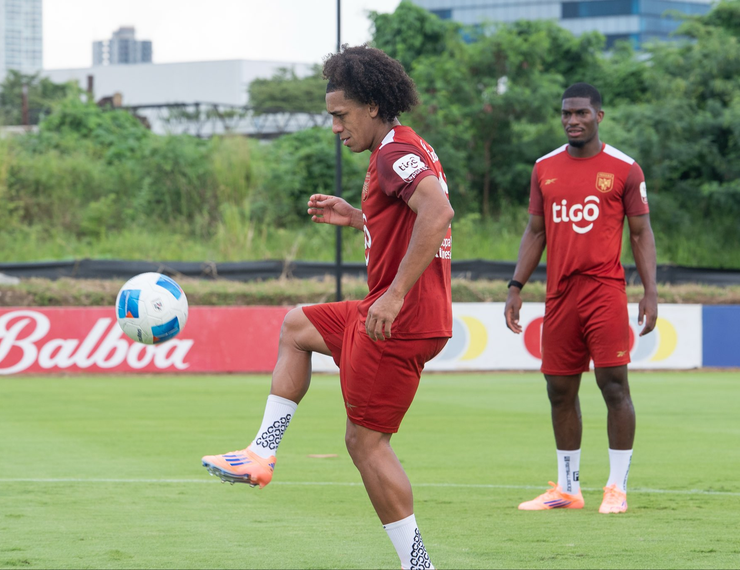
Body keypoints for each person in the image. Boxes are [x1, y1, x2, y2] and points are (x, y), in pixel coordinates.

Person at [202, 45, 454, 569]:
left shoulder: (392, 153)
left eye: (341, 115)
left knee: (366, 444)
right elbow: (409, 221)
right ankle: (261, 452)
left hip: (398, 320)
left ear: (373, 107)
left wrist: (395, 294)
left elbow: (438, 213)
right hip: (388, 312)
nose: (336, 127)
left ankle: (419, 565)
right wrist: (361, 219)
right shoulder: (405, 148)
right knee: (297, 325)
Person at [504, 83, 658, 514]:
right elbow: (535, 232)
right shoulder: (543, 168)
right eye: (566, 114)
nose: (573, 120)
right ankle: (568, 489)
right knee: (558, 390)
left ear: (598, 117)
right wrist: (516, 287)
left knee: (613, 386)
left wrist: (650, 292)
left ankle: (617, 488)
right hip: (559, 296)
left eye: (581, 113)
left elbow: (642, 234)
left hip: (604, 291)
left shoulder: (626, 169)